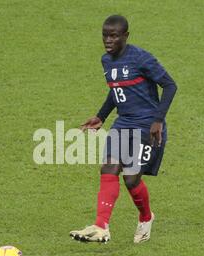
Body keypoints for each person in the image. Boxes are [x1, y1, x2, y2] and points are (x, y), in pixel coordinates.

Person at [70, 15, 177, 243]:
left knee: (130, 178)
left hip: (148, 126)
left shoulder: (141, 58)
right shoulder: (106, 61)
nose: (108, 40)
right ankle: (101, 226)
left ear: (125, 36)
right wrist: (101, 116)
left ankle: (146, 217)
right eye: (105, 35)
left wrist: (158, 120)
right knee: (108, 168)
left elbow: (170, 85)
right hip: (123, 122)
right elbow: (116, 89)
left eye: (114, 36)